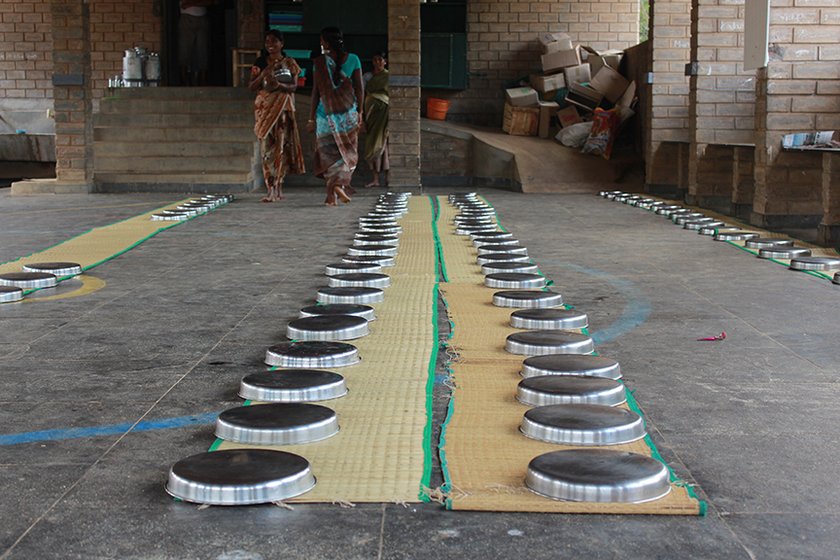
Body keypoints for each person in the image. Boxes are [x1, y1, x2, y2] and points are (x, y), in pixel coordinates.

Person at [307, 27, 364, 206]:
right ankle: (338, 187)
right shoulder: (354, 59)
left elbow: (315, 93)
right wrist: (360, 112)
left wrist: (311, 118)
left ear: (325, 42)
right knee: (347, 153)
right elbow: (360, 89)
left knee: (328, 154)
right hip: (348, 116)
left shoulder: (320, 63)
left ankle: (332, 193)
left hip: (325, 116)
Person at [249, 30, 306, 202]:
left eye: (274, 41)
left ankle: (278, 186)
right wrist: (263, 75)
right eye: (267, 41)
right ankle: (270, 188)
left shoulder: (289, 63)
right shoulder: (260, 62)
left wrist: (278, 84)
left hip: (281, 109)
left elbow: (294, 87)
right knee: (266, 149)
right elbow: (251, 86)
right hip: (264, 109)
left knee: (280, 148)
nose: (270, 44)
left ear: (282, 43)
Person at [362, 52, 389, 188]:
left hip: (384, 115)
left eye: (380, 60)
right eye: (375, 59)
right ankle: (375, 179)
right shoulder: (368, 77)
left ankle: (387, 178)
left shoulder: (388, 76)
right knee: (371, 144)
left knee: (383, 145)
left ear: (385, 61)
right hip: (370, 115)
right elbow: (361, 94)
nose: (378, 62)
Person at [178, 0, 214, 86]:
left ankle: (202, 79)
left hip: (202, 18)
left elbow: (212, 2)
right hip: (187, 18)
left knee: (202, 49)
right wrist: (199, 3)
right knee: (185, 49)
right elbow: (184, 4)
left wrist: (193, 3)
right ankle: (184, 79)